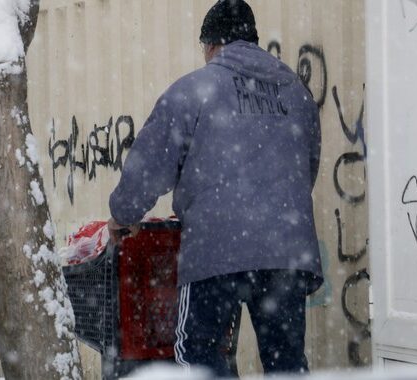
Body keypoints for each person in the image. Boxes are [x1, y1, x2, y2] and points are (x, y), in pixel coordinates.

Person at [108, 0, 323, 376]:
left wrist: (123, 215)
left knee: (200, 354)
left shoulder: (194, 89)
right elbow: (308, 167)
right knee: (285, 361)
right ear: (252, 41)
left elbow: (149, 166)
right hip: (286, 253)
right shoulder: (297, 92)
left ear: (211, 44)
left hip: (215, 249)